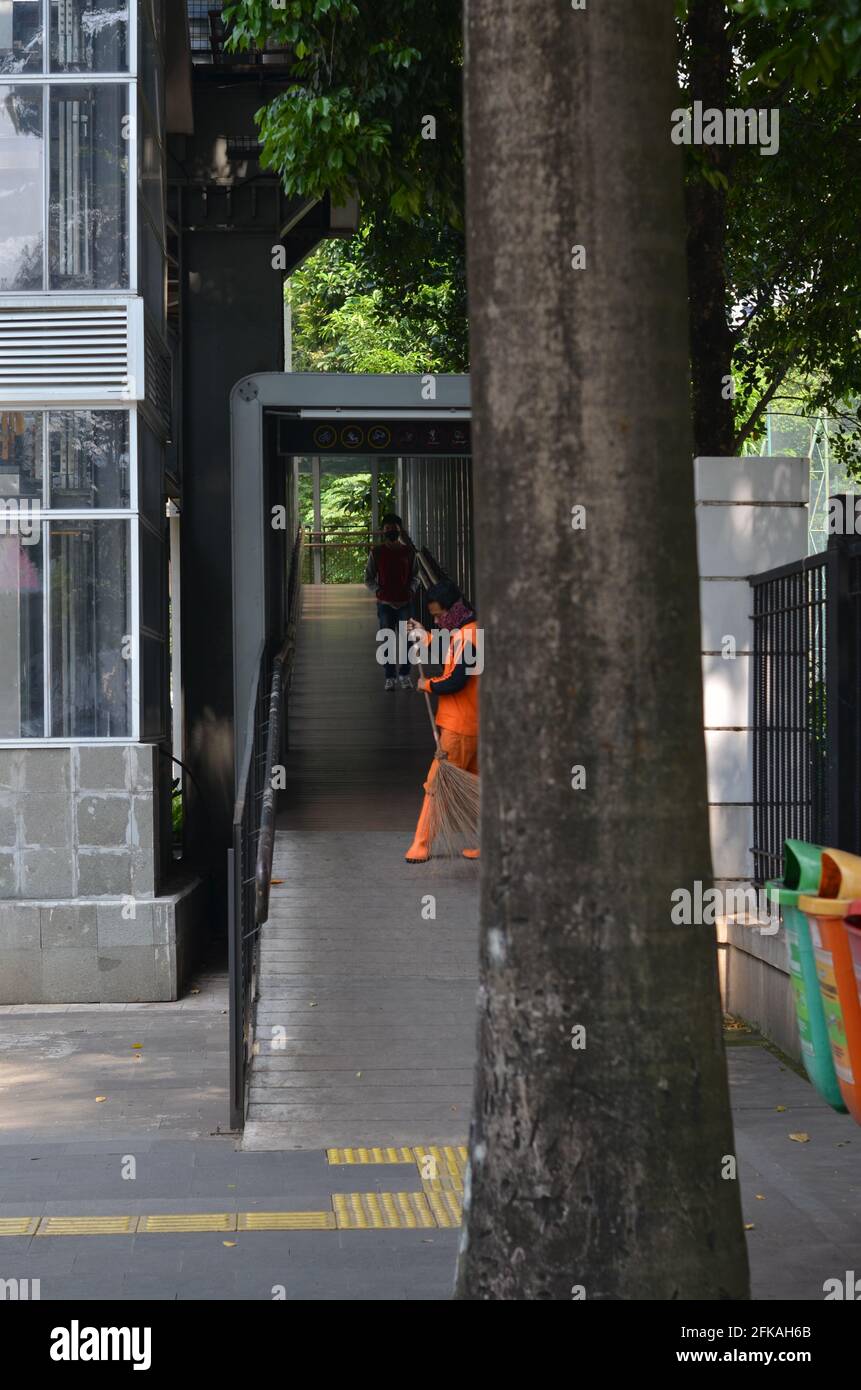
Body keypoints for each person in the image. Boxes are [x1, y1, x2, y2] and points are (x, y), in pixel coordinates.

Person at [405, 580, 480, 863]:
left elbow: (455, 681)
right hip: (475, 725)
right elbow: (450, 647)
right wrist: (425, 637)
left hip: (460, 728)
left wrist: (427, 684)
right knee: (479, 787)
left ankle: (421, 844)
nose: (436, 621)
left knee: (436, 785)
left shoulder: (467, 638)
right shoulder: (470, 631)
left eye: (438, 616)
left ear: (453, 611)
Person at [365, 513, 419, 691]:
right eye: (387, 529)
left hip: (405, 602)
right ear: (383, 531)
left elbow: (415, 576)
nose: (390, 532)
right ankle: (390, 676)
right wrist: (378, 591)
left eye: (393, 529)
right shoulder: (377, 552)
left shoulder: (409, 552)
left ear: (399, 530)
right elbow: (369, 577)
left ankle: (404, 675)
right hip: (385, 603)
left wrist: (411, 590)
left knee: (407, 641)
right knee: (387, 640)